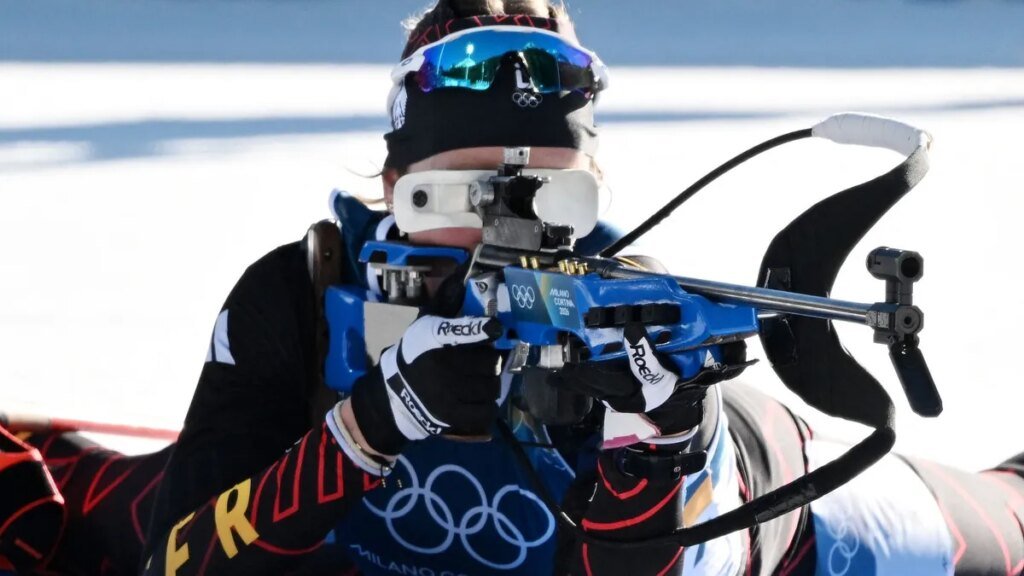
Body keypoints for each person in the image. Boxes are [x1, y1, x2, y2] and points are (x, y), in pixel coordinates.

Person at [3, 1, 1024, 575]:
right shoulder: (301, 297)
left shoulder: (636, 314)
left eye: (547, 192)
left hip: (783, 520)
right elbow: (176, 564)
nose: (506, 225)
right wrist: (368, 426)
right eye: (465, 189)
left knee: (1002, 530)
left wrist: (657, 445)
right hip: (333, 527)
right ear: (395, 189)